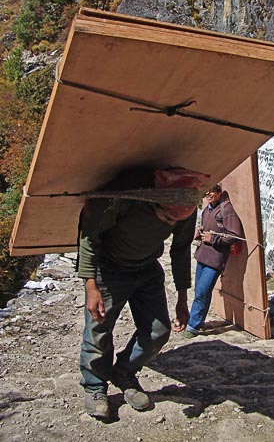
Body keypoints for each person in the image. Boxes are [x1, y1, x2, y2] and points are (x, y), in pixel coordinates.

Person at [77, 166, 209, 418]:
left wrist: (183, 298)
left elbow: (180, 250)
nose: (172, 224)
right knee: (98, 330)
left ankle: (124, 372)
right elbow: (89, 236)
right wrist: (90, 284)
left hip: (147, 268)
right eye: (167, 218)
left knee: (158, 332)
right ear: (153, 202)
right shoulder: (122, 200)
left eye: (177, 221)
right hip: (109, 269)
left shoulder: (184, 205)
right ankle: (95, 387)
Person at [185, 183, 244, 337]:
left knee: (203, 291)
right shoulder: (207, 210)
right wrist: (200, 234)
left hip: (215, 259)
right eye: (206, 193)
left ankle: (192, 325)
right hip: (202, 256)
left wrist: (214, 239)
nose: (209, 195)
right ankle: (197, 321)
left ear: (218, 192)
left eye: (212, 192)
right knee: (200, 291)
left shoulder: (226, 210)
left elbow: (234, 235)